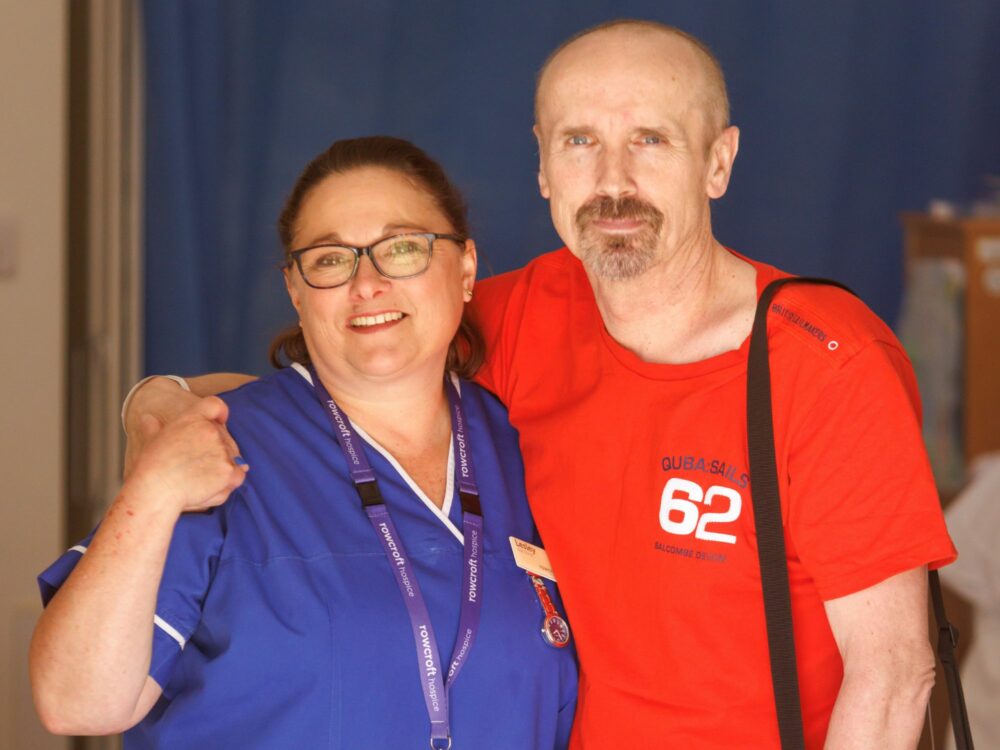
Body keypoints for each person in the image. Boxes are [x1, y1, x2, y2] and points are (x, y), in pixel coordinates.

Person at [119, 20, 956, 749]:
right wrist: (160, 400)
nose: (614, 178)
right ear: (544, 168)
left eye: (652, 140)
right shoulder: (522, 314)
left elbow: (895, 675)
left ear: (719, 162)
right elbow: (341, 378)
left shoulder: (823, 361)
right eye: (580, 141)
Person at [30, 136, 578, 748]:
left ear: (467, 267)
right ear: (295, 289)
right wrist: (152, 492)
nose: (367, 283)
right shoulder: (220, 450)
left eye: (402, 249)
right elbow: (75, 702)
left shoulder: (527, 447)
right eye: (330, 259)